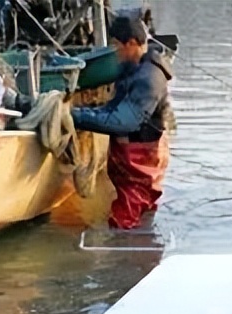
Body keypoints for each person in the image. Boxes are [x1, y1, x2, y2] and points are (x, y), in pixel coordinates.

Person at [70, 13, 173, 230]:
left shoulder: (149, 79)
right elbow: (114, 108)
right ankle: (145, 251)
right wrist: (85, 112)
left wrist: (74, 116)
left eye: (117, 46)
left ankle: (130, 258)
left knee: (124, 219)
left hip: (141, 160)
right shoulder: (133, 70)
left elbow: (123, 121)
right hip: (131, 158)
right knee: (139, 210)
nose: (115, 53)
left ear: (132, 44)